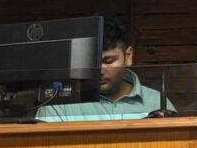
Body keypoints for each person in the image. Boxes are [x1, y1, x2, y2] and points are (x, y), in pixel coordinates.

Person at [37, 14, 171, 122]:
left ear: (128, 56)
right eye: (90, 62)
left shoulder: (157, 102)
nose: (99, 71)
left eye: (108, 61)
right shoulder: (58, 105)